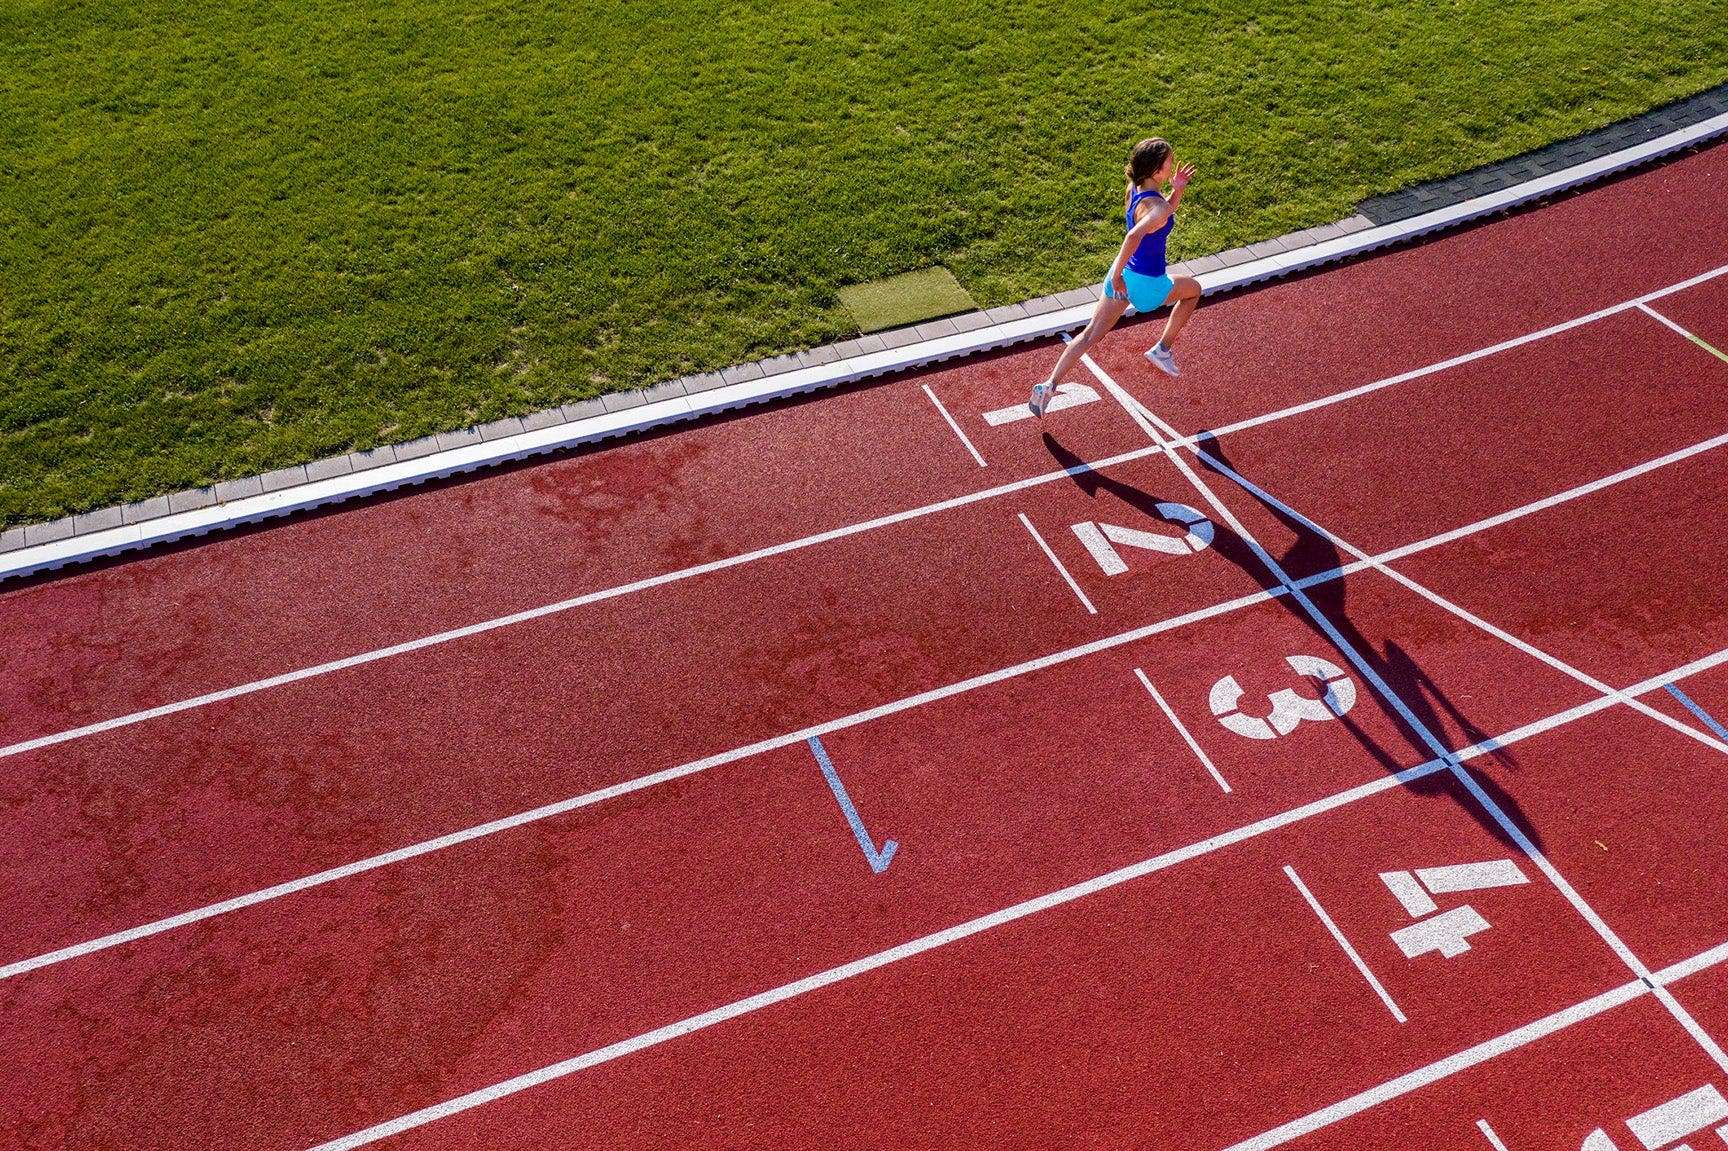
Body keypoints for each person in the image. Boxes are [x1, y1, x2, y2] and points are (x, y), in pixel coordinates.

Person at [1030, 138, 1201, 417]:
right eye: (1169, 162)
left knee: (1088, 336)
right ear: (1157, 170)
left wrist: (1177, 190)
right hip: (1147, 284)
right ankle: (1162, 349)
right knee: (1194, 290)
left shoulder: (1134, 189)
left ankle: (1047, 387)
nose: (1173, 164)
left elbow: (1158, 217)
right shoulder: (1158, 208)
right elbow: (1135, 234)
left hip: (1122, 275)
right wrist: (1122, 275)